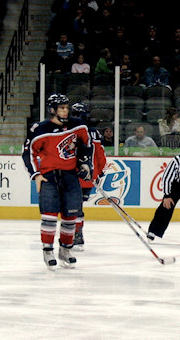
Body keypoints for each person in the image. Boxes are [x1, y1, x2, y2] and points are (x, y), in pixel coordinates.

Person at [21, 94, 93, 270]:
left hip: (70, 176)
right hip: (49, 177)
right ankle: (48, 251)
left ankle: (65, 250)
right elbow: (28, 153)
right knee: (49, 216)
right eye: (61, 108)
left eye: (67, 107)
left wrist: (85, 164)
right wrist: (36, 175)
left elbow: (87, 145)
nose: (65, 111)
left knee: (70, 217)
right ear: (52, 110)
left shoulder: (78, 125)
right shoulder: (40, 129)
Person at [70, 102, 107, 251]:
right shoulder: (94, 133)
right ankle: (75, 234)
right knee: (76, 206)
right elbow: (100, 156)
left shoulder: (69, 131)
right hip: (89, 178)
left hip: (74, 177)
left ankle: (76, 235)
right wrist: (99, 173)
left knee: (74, 208)